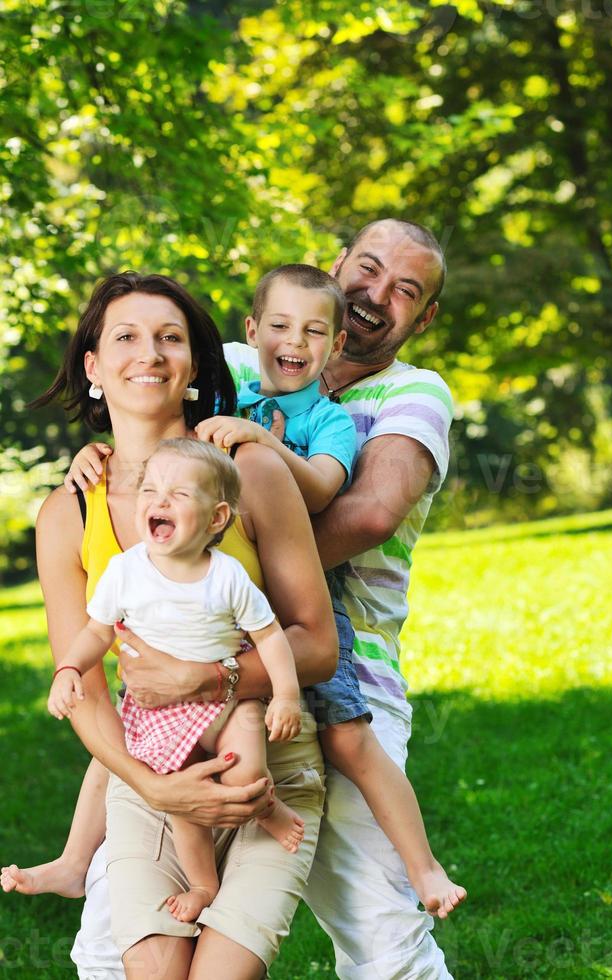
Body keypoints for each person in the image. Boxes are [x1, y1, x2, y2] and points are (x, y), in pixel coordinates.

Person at [15, 218, 457, 978]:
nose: (376, 295)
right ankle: (80, 859)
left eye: (406, 289)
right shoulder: (236, 378)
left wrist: (205, 605)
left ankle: (419, 877)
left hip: (321, 689)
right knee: (107, 953)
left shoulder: (374, 410)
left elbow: (369, 519)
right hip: (159, 732)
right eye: (369, 269)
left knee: (381, 939)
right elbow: (84, 672)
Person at [1, 272, 335, 980]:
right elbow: (84, 683)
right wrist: (150, 786)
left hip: (265, 771)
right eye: (125, 337)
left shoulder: (250, 473)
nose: (148, 353)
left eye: (169, 338)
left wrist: (206, 677)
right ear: (93, 367)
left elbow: (316, 641)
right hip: (149, 775)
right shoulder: (68, 513)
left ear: (192, 365)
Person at [199, 262, 465, 918]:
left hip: (311, 599)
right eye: (281, 327)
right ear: (252, 330)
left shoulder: (330, 419)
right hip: (216, 602)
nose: (295, 341)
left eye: (315, 331)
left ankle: (425, 867)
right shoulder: (225, 380)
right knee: (168, 732)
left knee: (347, 736)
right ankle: (172, 875)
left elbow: (321, 487)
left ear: (334, 345)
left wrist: (264, 443)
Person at [47, 438, 305, 924]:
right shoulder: (125, 572)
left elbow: (270, 637)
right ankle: (204, 884)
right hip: (162, 711)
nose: (159, 501)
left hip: (231, 702)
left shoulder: (226, 576)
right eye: (150, 490)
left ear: (216, 518)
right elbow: (95, 632)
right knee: (187, 800)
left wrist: (286, 695)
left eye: (179, 495)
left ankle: (270, 811)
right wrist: (68, 669)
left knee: (246, 774)